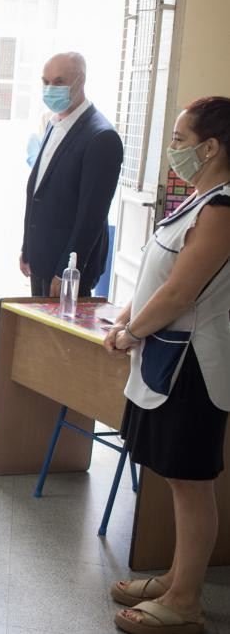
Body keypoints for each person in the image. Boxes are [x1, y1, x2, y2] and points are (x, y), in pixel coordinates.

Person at [104, 97, 230, 634]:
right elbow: (159, 272)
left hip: (195, 368)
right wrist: (130, 315)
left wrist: (132, 331)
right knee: (177, 477)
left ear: (211, 148)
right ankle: (177, 575)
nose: (172, 149)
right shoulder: (198, 200)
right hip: (168, 359)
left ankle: (184, 603)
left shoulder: (224, 209)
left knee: (191, 482)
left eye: (180, 140)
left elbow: (181, 292)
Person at [20, 52, 123, 298]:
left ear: (80, 81)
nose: (50, 88)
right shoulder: (53, 124)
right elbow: (39, 193)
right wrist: (28, 248)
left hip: (67, 272)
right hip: (40, 261)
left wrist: (66, 272)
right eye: (45, 82)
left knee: (57, 336)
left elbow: (91, 216)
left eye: (58, 82)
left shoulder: (101, 137)